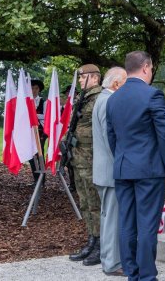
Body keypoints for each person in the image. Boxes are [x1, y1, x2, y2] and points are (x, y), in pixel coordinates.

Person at [106, 51, 165, 281]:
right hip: (149, 169)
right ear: (146, 67)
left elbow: (112, 136)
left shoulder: (113, 98)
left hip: (123, 167)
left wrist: (122, 158)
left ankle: (132, 273)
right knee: (147, 224)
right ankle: (147, 276)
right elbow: (164, 133)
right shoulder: (152, 95)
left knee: (127, 223)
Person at [92, 67, 127, 277]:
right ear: (116, 84)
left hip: (103, 171)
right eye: (125, 82)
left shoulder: (102, 99)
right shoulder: (108, 101)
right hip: (110, 171)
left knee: (108, 218)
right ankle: (113, 263)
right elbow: (109, 138)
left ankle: (108, 259)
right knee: (112, 219)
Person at [68, 64, 102, 266]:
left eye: (83, 77)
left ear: (95, 78)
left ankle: (100, 245)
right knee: (85, 204)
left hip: (91, 159)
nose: (80, 81)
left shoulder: (99, 98)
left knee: (95, 204)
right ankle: (91, 240)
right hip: (78, 158)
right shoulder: (83, 98)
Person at [28, 79, 47, 186]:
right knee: (31, 157)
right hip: (29, 133)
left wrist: (33, 116)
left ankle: (42, 180)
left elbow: (45, 116)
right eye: (32, 88)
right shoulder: (27, 101)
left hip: (40, 133)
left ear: (39, 90)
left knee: (39, 155)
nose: (34, 90)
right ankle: (36, 179)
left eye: (36, 88)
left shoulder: (43, 102)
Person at [61, 85, 77, 192]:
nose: (69, 94)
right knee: (69, 158)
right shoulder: (64, 107)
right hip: (66, 134)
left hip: (76, 134)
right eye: (67, 93)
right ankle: (72, 184)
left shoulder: (79, 104)